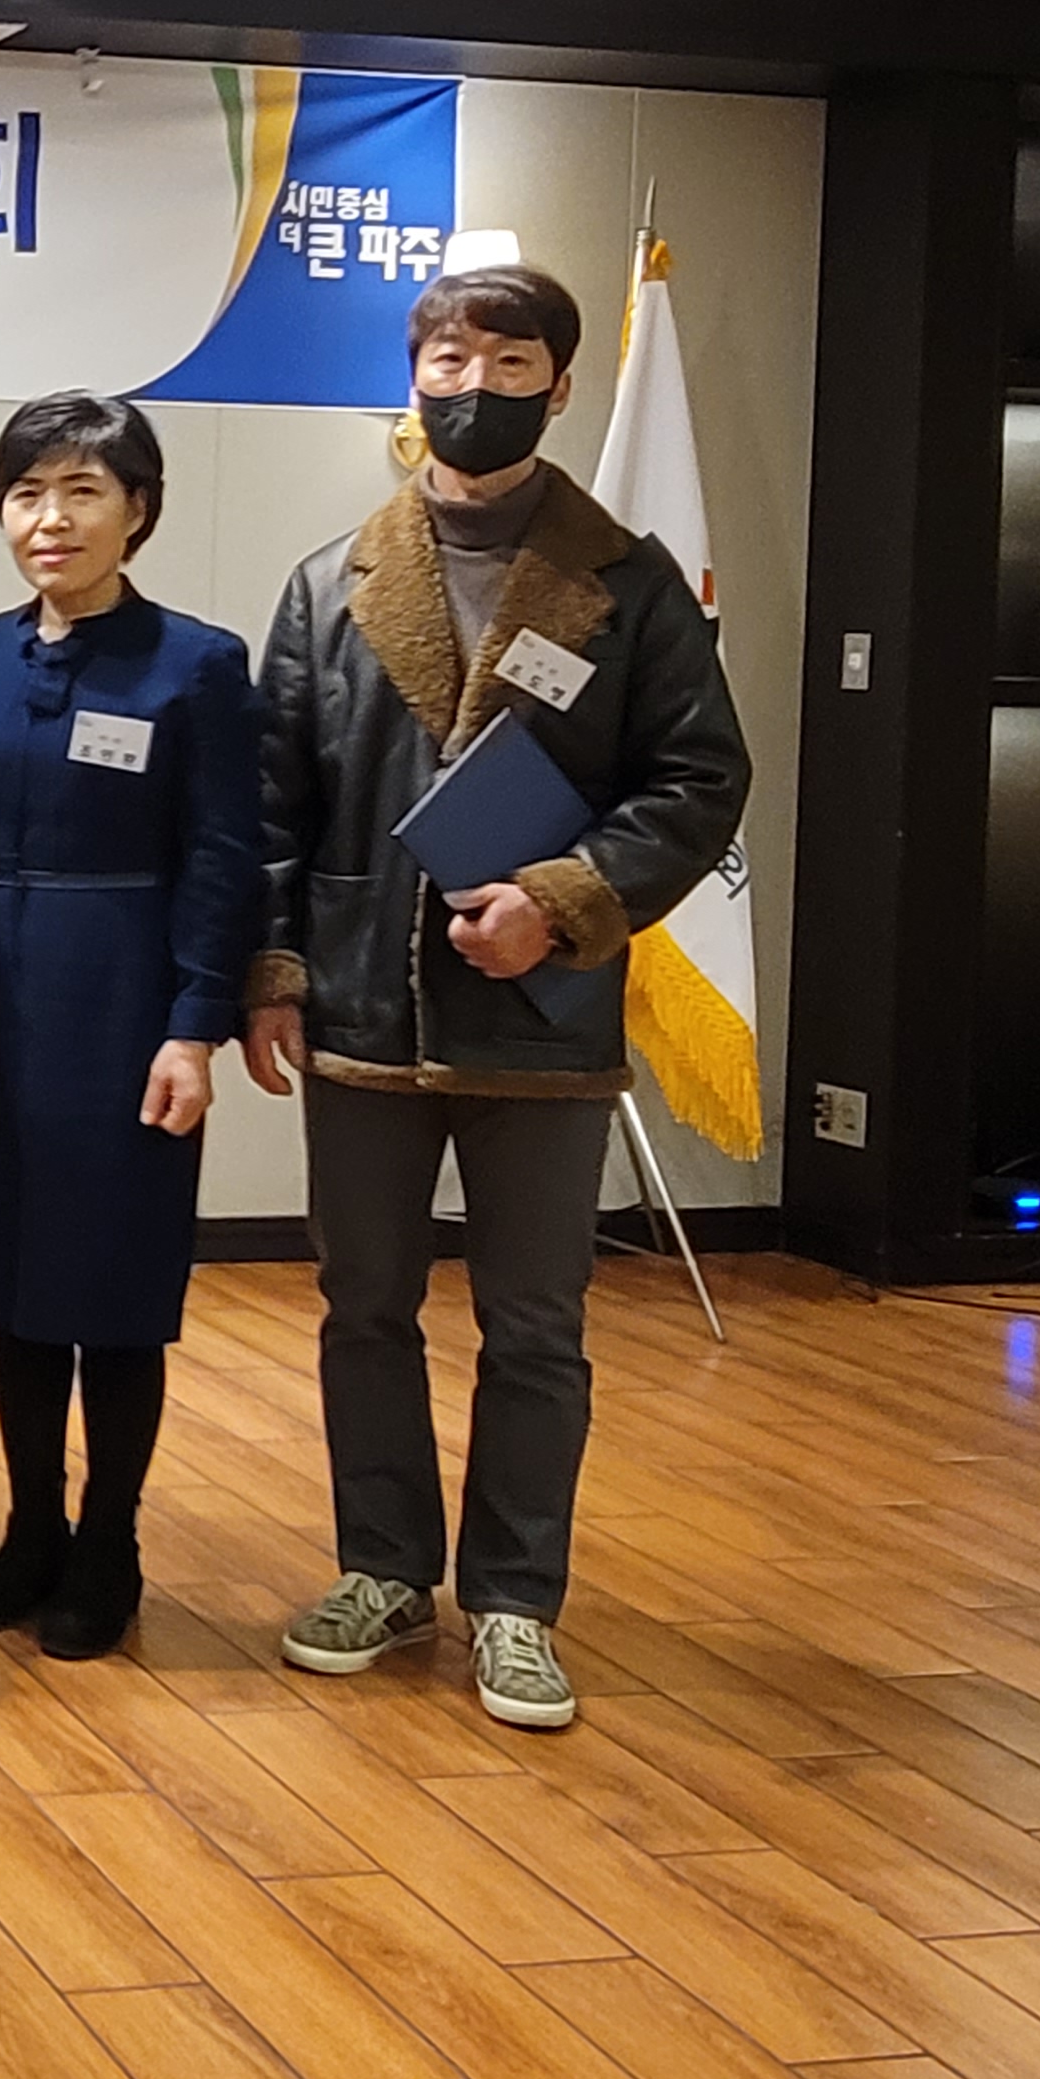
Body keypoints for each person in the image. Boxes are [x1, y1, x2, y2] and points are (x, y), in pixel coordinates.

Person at [245, 262, 748, 1731]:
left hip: (544, 1018)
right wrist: (273, 972)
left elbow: (698, 780)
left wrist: (566, 900)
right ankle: (383, 1569)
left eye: (510, 363)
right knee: (364, 1307)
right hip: (364, 1006)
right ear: (414, 380)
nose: (475, 387)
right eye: (449, 361)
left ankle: (517, 1601)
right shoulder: (328, 582)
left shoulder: (630, 582)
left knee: (535, 1325)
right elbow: (274, 802)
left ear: (560, 386)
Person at [0, 394, 259, 1662]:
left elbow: (222, 858)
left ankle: (111, 1539)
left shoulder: (195, 663)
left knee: (116, 1284)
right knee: (13, 1278)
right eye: (26, 493)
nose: (50, 519)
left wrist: (194, 1026)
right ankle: (29, 1527)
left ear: (136, 510)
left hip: (125, 996)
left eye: (81, 492)